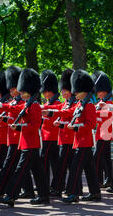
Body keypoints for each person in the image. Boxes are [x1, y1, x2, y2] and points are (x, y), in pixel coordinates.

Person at [0, 68, 51, 207]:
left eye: (24, 92)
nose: (22, 94)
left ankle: (11, 195)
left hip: (31, 143)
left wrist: (19, 127)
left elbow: (34, 125)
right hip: (26, 143)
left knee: (20, 170)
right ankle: (44, 196)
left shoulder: (35, 106)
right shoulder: (28, 104)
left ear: (29, 91)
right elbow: (14, 110)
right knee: (38, 172)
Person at [61, 69, 101, 203]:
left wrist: (77, 126)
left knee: (75, 168)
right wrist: (51, 112)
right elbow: (69, 112)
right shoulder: (80, 104)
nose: (75, 93)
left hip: (85, 141)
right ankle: (95, 192)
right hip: (80, 141)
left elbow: (91, 124)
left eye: (77, 91)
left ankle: (73, 194)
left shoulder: (89, 105)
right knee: (89, 169)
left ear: (85, 90)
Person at [42, 69, 76, 197]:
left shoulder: (74, 103)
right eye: (62, 91)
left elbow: (66, 113)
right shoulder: (66, 103)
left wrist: (51, 113)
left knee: (64, 165)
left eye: (65, 91)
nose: (63, 93)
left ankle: (60, 187)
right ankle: (64, 188)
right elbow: (59, 109)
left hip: (69, 138)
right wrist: (43, 108)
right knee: (64, 165)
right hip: (63, 138)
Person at [39, 70, 61, 186]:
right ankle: (55, 185)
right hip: (46, 136)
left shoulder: (57, 103)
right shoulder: (47, 104)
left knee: (45, 161)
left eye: (45, 91)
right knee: (54, 162)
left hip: (51, 136)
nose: (43, 93)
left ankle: (45, 185)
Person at [93, 71, 113, 188]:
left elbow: (107, 114)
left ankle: (99, 180)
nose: (97, 93)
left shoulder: (108, 102)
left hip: (105, 134)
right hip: (101, 133)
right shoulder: (101, 102)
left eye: (99, 91)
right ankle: (108, 179)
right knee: (105, 157)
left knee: (97, 157)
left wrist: (94, 113)